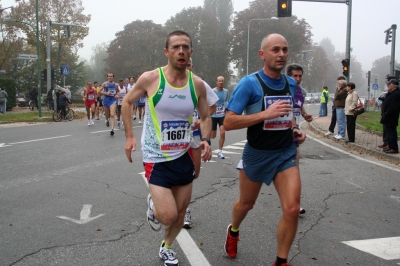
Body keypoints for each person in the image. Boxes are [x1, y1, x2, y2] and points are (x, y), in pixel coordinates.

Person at [122, 30, 212, 266]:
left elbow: (205, 116)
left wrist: (205, 139)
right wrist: (129, 136)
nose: (181, 51)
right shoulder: (151, 79)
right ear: (167, 51)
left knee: (181, 215)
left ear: (191, 52)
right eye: (176, 47)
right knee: (168, 215)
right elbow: (127, 101)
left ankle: (167, 246)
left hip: (183, 154)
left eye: (186, 47)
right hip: (156, 155)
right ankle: (153, 202)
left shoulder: (197, 84)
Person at [223, 33, 306, 266]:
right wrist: (265, 114)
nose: (281, 54)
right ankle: (234, 230)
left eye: (285, 49)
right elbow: (228, 122)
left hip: (285, 153)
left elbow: (288, 113)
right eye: (275, 50)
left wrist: (295, 129)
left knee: (292, 208)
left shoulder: (290, 83)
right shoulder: (249, 83)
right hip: (257, 153)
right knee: (246, 204)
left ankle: (281, 261)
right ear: (262, 54)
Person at [183, 57, 218, 229]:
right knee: (180, 173)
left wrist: (201, 118)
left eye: (189, 65)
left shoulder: (199, 84)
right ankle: (184, 210)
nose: (186, 68)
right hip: (175, 137)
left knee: (195, 173)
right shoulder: (169, 83)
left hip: (195, 134)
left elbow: (213, 105)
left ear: (192, 65)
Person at [286, 63, 313, 215]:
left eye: (300, 76)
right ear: (288, 76)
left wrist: (305, 115)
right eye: (294, 76)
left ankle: (294, 205)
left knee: (294, 169)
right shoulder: (283, 90)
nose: (297, 79)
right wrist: (294, 126)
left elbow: (298, 106)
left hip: (293, 135)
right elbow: (288, 111)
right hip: (281, 133)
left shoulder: (300, 91)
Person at [380, 79, 400, 154]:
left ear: (394, 85)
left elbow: (395, 106)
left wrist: (387, 112)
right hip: (387, 115)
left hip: (391, 116)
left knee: (392, 132)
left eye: (390, 84)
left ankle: (394, 147)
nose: (388, 85)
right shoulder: (390, 93)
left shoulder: (396, 93)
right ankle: (389, 145)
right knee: (388, 131)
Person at [211, 76, 229, 159]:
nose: (221, 82)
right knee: (213, 135)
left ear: (224, 83)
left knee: (222, 132)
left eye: (222, 81)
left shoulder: (226, 91)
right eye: (219, 81)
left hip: (222, 114)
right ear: (216, 82)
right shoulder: (212, 91)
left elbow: (226, 100)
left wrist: (227, 107)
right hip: (213, 115)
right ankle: (205, 143)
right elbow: (209, 101)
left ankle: (220, 151)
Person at [378, 75, 396, 149]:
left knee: (390, 131)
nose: (387, 83)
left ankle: (390, 144)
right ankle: (386, 142)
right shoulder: (388, 91)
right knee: (385, 129)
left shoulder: (394, 92)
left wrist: (387, 112)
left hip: (389, 114)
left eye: (388, 81)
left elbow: (393, 105)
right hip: (385, 113)